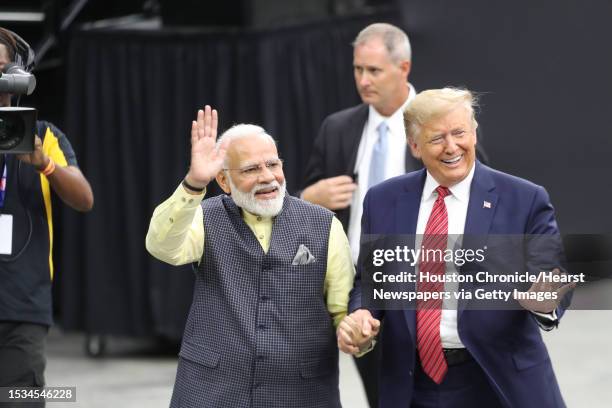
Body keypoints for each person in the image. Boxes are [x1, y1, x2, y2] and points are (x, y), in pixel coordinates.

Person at [337, 87, 574, 407]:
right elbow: (370, 282)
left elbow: (553, 274)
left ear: (474, 132)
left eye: (460, 132)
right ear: (415, 145)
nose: (452, 147)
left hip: (497, 381)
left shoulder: (524, 199)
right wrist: (361, 313)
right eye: (437, 138)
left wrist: (542, 297)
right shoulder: (383, 200)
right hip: (411, 384)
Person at [300, 23, 488, 407]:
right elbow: (298, 211)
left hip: (430, 291)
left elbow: (481, 196)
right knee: (385, 397)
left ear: (403, 68)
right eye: (357, 70)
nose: (363, 80)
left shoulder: (442, 126)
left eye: (374, 70)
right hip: (360, 291)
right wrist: (308, 197)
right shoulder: (338, 129)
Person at [145, 106, 354, 408]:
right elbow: (162, 246)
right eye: (251, 169)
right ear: (224, 181)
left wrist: (355, 331)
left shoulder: (323, 224)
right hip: (211, 392)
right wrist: (193, 183)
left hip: (301, 393)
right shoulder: (204, 217)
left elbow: (343, 307)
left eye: (273, 164)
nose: (268, 177)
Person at [0, 27, 94, 403]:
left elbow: (85, 198)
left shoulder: (43, 135)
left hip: (21, 308)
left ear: (19, 72)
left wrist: (45, 165)